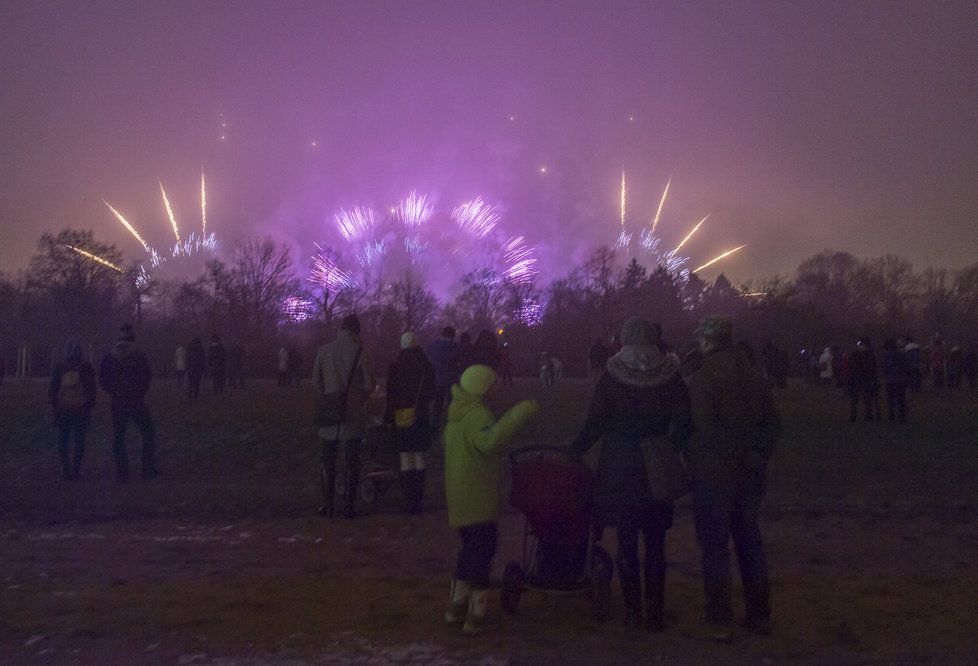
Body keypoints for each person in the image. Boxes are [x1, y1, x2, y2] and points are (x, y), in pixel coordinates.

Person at [569, 318, 691, 631]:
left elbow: (595, 423)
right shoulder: (670, 375)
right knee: (655, 545)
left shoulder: (612, 376)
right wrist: (667, 446)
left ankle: (632, 612)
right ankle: (655, 613)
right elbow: (686, 424)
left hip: (619, 468)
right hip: (657, 468)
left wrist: (573, 451)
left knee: (625, 542)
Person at [686, 317, 779, 640]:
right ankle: (758, 612)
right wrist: (756, 455)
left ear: (709, 341)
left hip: (715, 473)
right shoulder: (755, 375)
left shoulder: (704, 377)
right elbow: (772, 425)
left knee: (714, 546)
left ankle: (720, 615)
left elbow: (704, 426)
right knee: (749, 541)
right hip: (750, 472)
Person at [444, 364, 538, 634]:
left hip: (461, 497)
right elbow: (490, 442)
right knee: (483, 552)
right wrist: (521, 412)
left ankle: (457, 605)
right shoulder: (478, 415)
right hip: (478, 496)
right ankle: (476, 611)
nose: (498, 388)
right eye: (494, 384)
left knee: (468, 551)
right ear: (483, 389)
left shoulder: (457, 416)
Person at [312, 314, 376, 518]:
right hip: (353, 413)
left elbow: (316, 380)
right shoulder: (361, 353)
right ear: (357, 331)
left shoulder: (324, 350)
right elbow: (369, 385)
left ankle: (328, 504)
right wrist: (359, 399)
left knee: (327, 461)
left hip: (329, 412)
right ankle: (349, 505)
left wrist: (328, 396)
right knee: (352, 461)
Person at [384, 332, 436, 513]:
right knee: (419, 455)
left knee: (405, 457)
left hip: (401, 415)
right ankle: (418, 500)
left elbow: (390, 393)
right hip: (420, 414)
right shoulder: (425, 366)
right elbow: (431, 390)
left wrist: (388, 415)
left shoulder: (396, 365)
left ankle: (408, 499)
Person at [99, 324, 158, 482]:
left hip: (117, 401)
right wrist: (139, 392)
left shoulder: (110, 357)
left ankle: (122, 471)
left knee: (119, 437)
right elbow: (147, 376)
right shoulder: (139, 355)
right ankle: (147, 468)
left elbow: (103, 379)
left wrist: (114, 392)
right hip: (136, 400)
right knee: (147, 433)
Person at [48, 340, 97, 480]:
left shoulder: (59, 367)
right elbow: (91, 390)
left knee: (63, 440)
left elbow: (52, 390)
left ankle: (65, 470)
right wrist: (89, 405)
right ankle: (77, 470)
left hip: (63, 409)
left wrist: (55, 406)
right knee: (79, 440)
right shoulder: (87, 367)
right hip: (81, 409)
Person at [427, 326, 460, 435]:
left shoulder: (433, 345)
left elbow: (429, 357)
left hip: (437, 379)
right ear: (452, 335)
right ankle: (454, 425)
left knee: (437, 404)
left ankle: (435, 427)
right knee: (452, 404)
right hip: (450, 380)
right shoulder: (454, 347)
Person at [847, 338, 880, 421]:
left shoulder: (867, 355)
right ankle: (857, 415)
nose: (858, 346)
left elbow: (871, 367)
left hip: (864, 378)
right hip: (862, 378)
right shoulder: (868, 354)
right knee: (861, 398)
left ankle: (867, 415)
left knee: (865, 398)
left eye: (860, 344)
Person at [881, 339, 908, 422]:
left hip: (890, 380)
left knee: (890, 399)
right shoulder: (901, 355)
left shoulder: (886, 356)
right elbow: (904, 367)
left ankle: (891, 416)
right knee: (901, 399)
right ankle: (902, 416)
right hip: (900, 379)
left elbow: (885, 368)